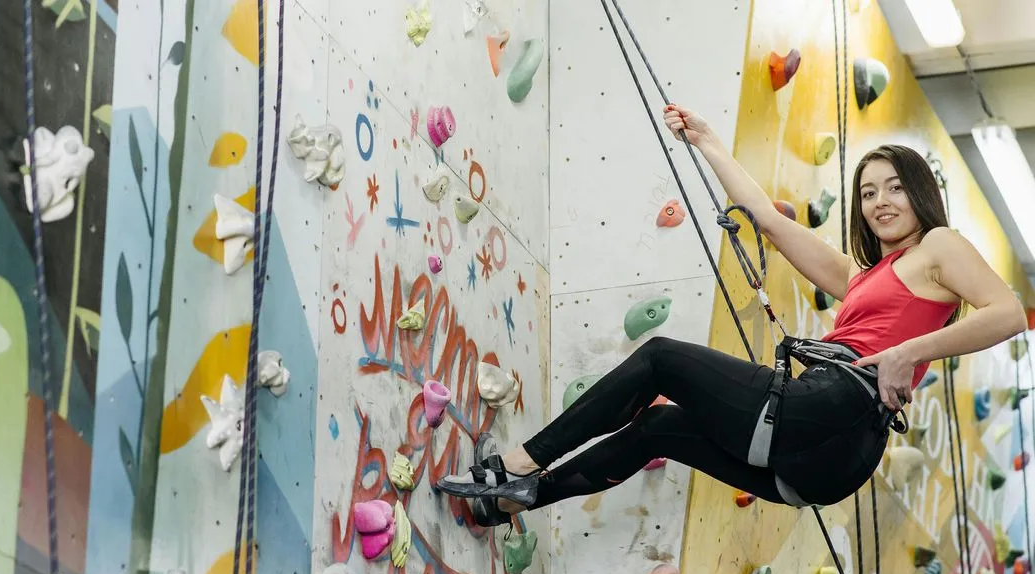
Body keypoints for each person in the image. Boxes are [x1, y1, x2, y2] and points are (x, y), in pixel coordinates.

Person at [436, 104, 1028, 525]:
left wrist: (908, 352)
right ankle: (519, 500)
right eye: (868, 192)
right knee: (656, 428)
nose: (879, 203)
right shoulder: (859, 278)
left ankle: (516, 464)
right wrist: (709, 142)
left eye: (894, 188)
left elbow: (1007, 313)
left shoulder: (939, 247)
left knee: (661, 359)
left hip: (836, 410)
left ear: (920, 194)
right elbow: (770, 221)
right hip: (819, 458)